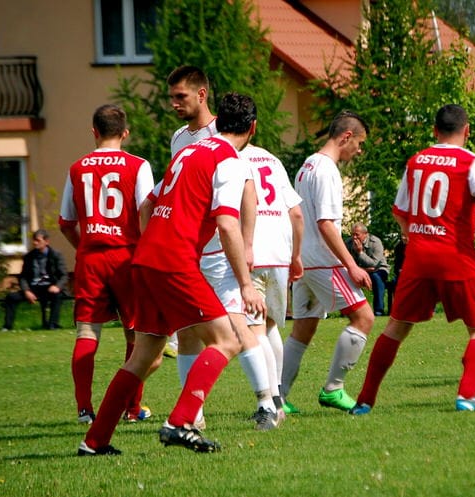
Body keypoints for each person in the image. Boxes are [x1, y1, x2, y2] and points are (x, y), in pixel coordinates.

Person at [78, 92, 265, 456]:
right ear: (252, 128)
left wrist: (155, 241)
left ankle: (94, 440)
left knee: (144, 354)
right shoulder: (230, 161)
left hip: (147, 257)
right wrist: (246, 285)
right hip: (174, 260)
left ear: (218, 122)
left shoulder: (187, 152)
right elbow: (228, 224)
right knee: (227, 340)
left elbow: (147, 204)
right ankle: (180, 422)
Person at [349, 104, 475, 415]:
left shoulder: (416, 161)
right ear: (466, 131)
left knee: (396, 327)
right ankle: (467, 395)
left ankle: (365, 400)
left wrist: (414, 233)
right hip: (456, 254)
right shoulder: (473, 162)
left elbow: (400, 211)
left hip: (419, 256)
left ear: (435, 131)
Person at [59, 104, 156, 424]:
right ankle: (131, 408)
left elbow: (65, 222)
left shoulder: (77, 168)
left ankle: (84, 408)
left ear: (94, 131)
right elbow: (146, 212)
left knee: (87, 332)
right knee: (137, 337)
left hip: (91, 258)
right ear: (125, 134)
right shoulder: (139, 165)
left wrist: (84, 246)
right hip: (128, 258)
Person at [280, 110, 374, 414]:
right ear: (346, 136)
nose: (358, 151)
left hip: (304, 257)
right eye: (359, 144)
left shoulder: (307, 165)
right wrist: (351, 265)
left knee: (303, 329)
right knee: (364, 318)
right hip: (323, 259)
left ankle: (277, 398)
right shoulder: (327, 169)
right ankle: (334, 389)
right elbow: (325, 223)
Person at [239, 143, 304, 424]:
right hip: (280, 252)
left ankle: (272, 401)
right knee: (271, 325)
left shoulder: (231, 157)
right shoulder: (272, 159)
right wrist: (296, 255)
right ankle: (280, 397)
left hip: (252, 250)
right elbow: (297, 213)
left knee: (256, 331)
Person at [161, 65, 218, 360]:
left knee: (250, 328)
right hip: (188, 248)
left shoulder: (222, 133)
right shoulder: (178, 137)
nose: (174, 103)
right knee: (187, 331)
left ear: (202, 94)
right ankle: (193, 408)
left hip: (221, 248)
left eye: (181, 96)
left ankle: (271, 398)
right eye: (172, 97)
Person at [2, 229, 68, 331]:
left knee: (57, 296)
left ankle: (53, 325)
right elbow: (23, 277)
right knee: (11, 297)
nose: (34, 243)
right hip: (34, 288)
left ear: (46, 241)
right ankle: (7, 326)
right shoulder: (29, 257)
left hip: (50, 287)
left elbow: (64, 275)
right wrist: (26, 291)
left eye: (38, 240)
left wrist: (57, 286)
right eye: (34, 240)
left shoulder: (55, 255)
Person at [345, 222, 390, 315]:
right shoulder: (348, 243)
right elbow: (346, 262)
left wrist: (360, 252)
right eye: (352, 234)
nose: (354, 237)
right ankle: (350, 311)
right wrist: (362, 270)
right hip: (359, 270)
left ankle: (378, 311)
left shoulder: (375, 242)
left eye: (357, 235)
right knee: (345, 278)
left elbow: (374, 264)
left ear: (365, 234)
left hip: (379, 270)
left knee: (376, 278)